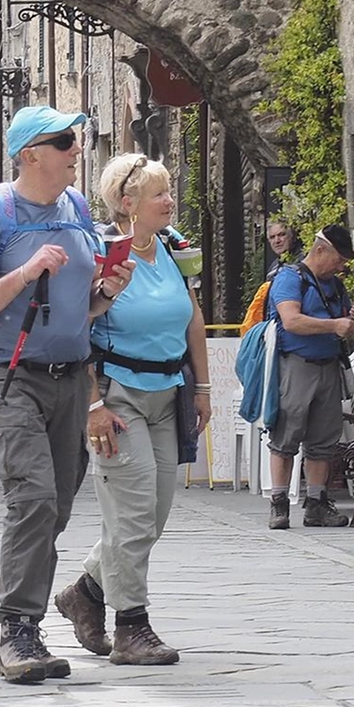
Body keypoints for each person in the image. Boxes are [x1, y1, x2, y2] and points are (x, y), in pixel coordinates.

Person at [0, 105, 134, 684]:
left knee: (54, 504)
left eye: (76, 138)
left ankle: (33, 609)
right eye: (64, 141)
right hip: (10, 375)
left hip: (70, 375)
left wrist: (107, 291)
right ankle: (18, 631)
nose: (76, 148)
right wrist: (27, 271)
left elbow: (80, 311)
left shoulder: (78, 210)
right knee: (31, 498)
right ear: (30, 153)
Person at [54, 154, 211, 666]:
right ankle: (131, 628)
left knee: (154, 517)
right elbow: (74, 329)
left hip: (168, 393)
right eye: (159, 194)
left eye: (168, 192)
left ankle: (85, 592)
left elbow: (193, 318)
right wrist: (93, 405)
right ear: (128, 203)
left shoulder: (170, 247)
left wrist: (203, 386)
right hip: (117, 398)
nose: (170, 201)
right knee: (133, 517)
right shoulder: (99, 255)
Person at [266, 224, 354, 530]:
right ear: (321, 250)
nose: (342, 265)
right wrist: (334, 326)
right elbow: (291, 320)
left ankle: (316, 505)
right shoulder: (288, 278)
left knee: (323, 440)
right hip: (296, 365)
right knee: (285, 436)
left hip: (328, 366)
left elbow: (343, 325)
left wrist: (353, 321)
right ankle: (279, 506)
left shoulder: (335, 286)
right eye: (339, 258)